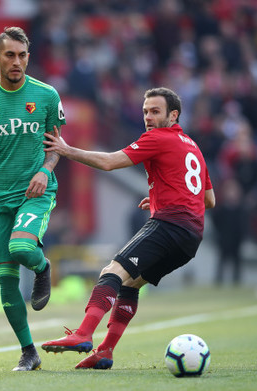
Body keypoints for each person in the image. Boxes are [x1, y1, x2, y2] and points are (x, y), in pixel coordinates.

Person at [41, 87, 215, 369]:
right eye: (145, 111)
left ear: (174, 115)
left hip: (170, 224)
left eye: (155, 111)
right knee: (131, 283)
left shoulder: (157, 138)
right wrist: (167, 194)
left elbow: (109, 162)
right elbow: (209, 199)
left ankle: (83, 334)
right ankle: (105, 351)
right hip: (191, 237)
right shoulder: (192, 146)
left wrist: (66, 149)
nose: (148, 117)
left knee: (111, 271)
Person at [0, 27, 66, 371]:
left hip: (34, 191)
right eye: (9, 55)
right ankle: (28, 352)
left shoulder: (46, 95)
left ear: (28, 57)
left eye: (22, 55)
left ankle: (43, 266)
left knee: (22, 250)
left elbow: (56, 148)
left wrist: (45, 171)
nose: (16, 62)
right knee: (5, 280)